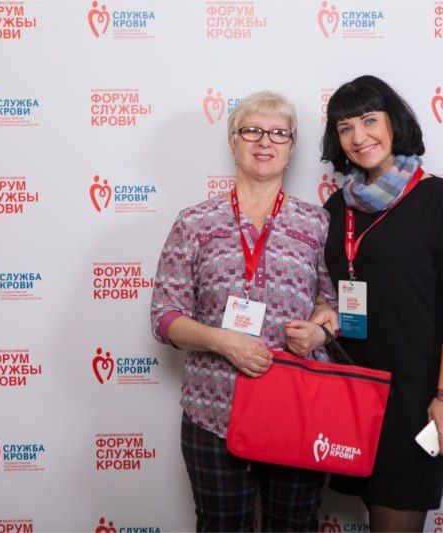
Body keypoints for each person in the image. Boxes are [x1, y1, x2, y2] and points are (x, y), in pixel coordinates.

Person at [150, 91, 338, 532]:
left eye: (278, 133)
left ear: (292, 147)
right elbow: (164, 316)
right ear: (233, 142)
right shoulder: (194, 222)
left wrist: (320, 331)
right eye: (252, 130)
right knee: (221, 526)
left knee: (293, 525)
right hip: (214, 408)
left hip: (297, 406)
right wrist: (223, 341)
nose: (264, 141)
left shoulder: (317, 222)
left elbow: (335, 304)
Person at [316, 75, 443, 532]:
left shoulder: (441, 200)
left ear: (394, 123)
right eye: (345, 128)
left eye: (370, 120)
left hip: (414, 395)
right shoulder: (336, 208)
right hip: (350, 388)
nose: (359, 136)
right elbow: (330, 290)